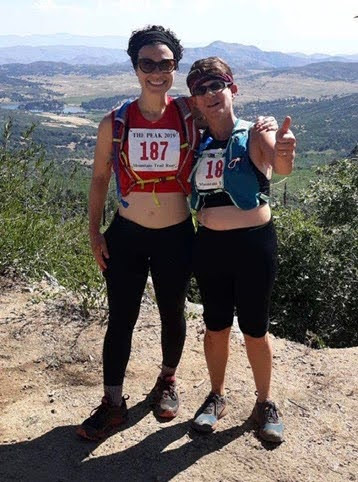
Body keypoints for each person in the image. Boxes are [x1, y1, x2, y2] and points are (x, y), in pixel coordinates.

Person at [76, 25, 276, 441]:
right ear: (135, 67)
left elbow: (226, 115)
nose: (156, 71)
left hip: (177, 235)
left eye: (165, 64)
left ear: (174, 67)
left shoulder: (190, 113)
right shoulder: (112, 123)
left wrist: (269, 130)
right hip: (126, 233)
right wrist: (95, 232)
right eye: (147, 63)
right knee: (121, 320)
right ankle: (112, 401)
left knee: (173, 312)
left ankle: (167, 381)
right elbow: (98, 180)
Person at [186, 57, 296, 443]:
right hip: (211, 247)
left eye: (217, 84)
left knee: (255, 329)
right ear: (195, 101)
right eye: (201, 89)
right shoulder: (198, 143)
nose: (210, 93)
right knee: (215, 328)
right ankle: (216, 396)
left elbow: (279, 164)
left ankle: (264, 402)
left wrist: (284, 149)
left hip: (253, 246)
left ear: (232, 89)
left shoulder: (255, 133)